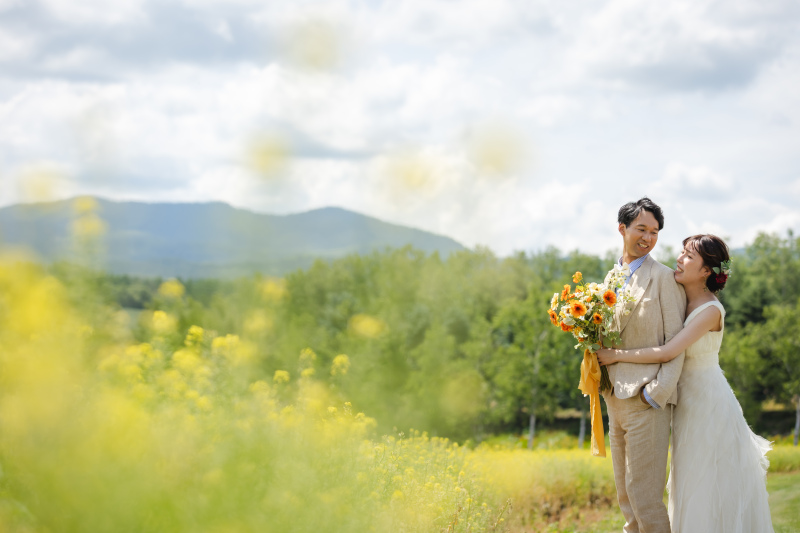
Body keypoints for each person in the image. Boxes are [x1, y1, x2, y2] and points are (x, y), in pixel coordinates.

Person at [598, 234, 774, 533]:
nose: (679, 259)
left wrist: (616, 356)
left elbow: (668, 350)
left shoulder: (710, 310)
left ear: (706, 270)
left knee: (705, 482)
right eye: (681, 252)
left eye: (689, 256)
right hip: (685, 402)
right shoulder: (681, 298)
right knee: (687, 479)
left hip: (707, 403)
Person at [602, 197, 686, 533]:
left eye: (654, 232)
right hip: (613, 399)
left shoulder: (664, 278)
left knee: (646, 499)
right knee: (626, 498)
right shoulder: (610, 277)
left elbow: (676, 343)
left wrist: (657, 393)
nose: (648, 238)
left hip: (646, 400)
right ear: (622, 229)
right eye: (641, 229)